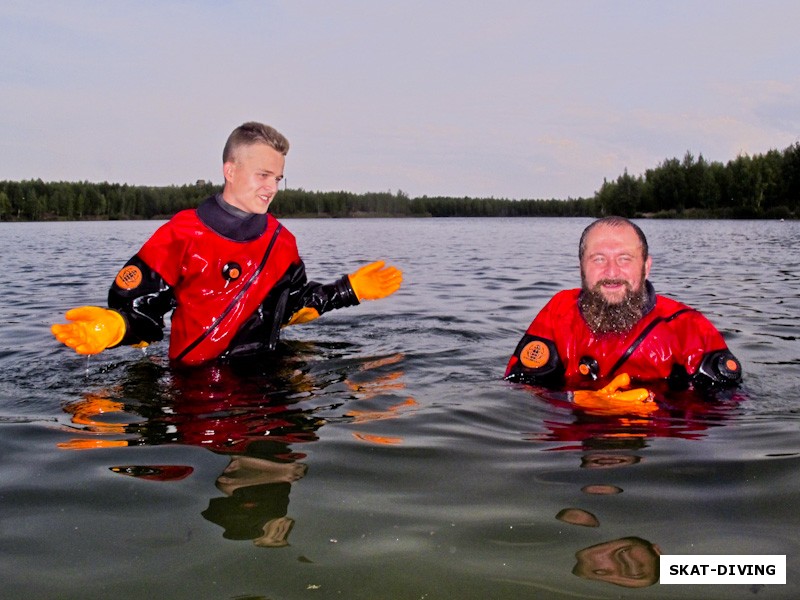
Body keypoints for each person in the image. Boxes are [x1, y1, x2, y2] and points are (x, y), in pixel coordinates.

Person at [52, 122, 402, 367]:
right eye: (262, 175)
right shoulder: (181, 235)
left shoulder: (282, 243)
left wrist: (349, 290)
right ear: (230, 171)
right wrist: (113, 327)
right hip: (197, 386)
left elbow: (292, 309)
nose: (272, 188)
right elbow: (141, 313)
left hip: (268, 376)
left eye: (278, 178)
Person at [505, 216, 742, 396]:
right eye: (598, 259)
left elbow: (724, 415)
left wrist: (654, 409)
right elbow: (523, 392)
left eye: (624, 259)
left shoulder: (688, 328)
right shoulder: (559, 312)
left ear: (646, 267)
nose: (611, 272)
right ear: (581, 268)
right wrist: (578, 402)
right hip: (575, 438)